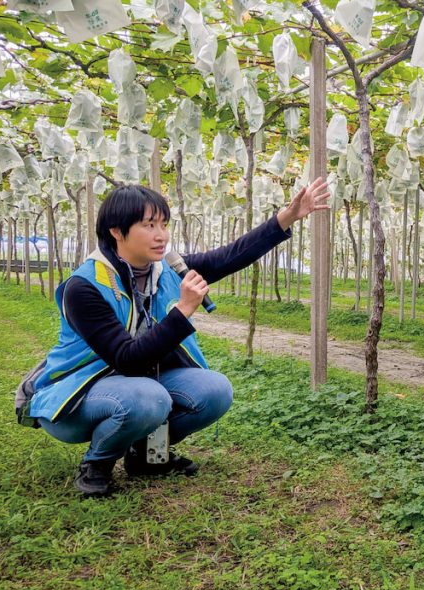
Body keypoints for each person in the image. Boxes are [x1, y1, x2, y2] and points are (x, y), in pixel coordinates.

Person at [26, 178, 331, 497]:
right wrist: (183, 309)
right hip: (77, 398)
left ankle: (148, 457)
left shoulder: (166, 270)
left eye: (164, 224)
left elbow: (228, 256)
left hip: (138, 386)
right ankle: (97, 464)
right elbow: (129, 361)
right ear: (117, 231)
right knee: (149, 396)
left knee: (214, 390)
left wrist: (287, 216)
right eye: (149, 224)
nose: (161, 235)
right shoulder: (85, 286)